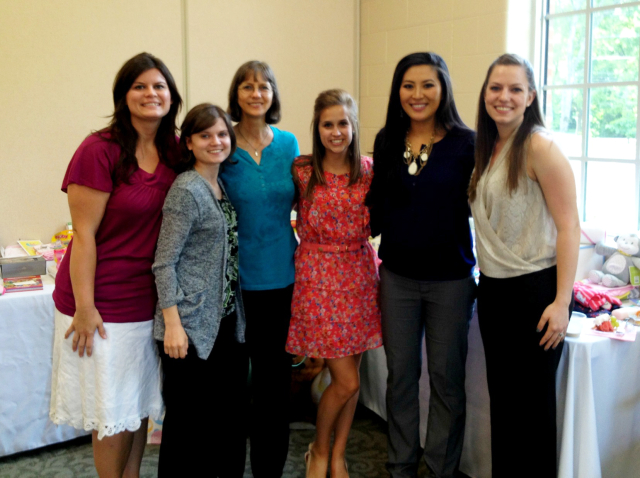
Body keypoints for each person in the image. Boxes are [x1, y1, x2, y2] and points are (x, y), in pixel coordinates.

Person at [49, 52, 182, 477]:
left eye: (159, 85)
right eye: (139, 86)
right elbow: (83, 235)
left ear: (171, 95)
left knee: (138, 404)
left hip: (147, 301)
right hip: (100, 303)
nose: (150, 94)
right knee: (111, 413)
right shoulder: (99, 150)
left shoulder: (172, 149)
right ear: (123, 96)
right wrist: (85, 308)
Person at [365, 52, 477, 478]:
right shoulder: (388, 140)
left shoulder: (467, 143)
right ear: (398, 91)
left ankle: (441, 468)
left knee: (447, 382)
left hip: (451, 280)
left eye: (427, 84)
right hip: (397, 279)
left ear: (443, 88)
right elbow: (376, 206)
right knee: (401, 378)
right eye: (408, 85)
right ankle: (400, 465)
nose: (417, 94)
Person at [468, 53, 579, 477]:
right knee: (506, 410)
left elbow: (569, 226)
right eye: (496, 87)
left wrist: (561, 302)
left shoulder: (540, 147)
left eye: (515, 89)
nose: (504, 97)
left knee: (532, 415)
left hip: (535, 292)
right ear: (485, 93)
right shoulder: (488, 147)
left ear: (531, 96)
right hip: (495, 293)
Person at [286, 88, 383, 478]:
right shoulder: (302, 171)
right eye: (328, 124)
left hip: (359, 276)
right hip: (318, 277)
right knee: (343, 380)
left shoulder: (370, 171)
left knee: (352, 378)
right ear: (317, 128)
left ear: (354, 125)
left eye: (343, 123)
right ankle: (318, 449)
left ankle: (338, 454)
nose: (336, 131)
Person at [152, 103, 248, 477]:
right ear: (188, 142)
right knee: (187, 429)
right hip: (188, 329)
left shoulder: (218, 184)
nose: (216, 141)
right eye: (205, 135)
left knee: (226, 422)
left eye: (222, 134)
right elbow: (164, 262)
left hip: (223, 323)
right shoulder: (186, 189)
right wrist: (172, 324)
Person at [219, 60, 300, 477]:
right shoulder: (221, 144)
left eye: (264, 86)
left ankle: (269, 471)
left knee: (273, 388)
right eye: (247, 87)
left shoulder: (288, 144)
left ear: (273, 95)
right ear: (236, 94)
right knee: (233, 390)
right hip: (232, 285)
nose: (256, 94)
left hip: (281, 281)